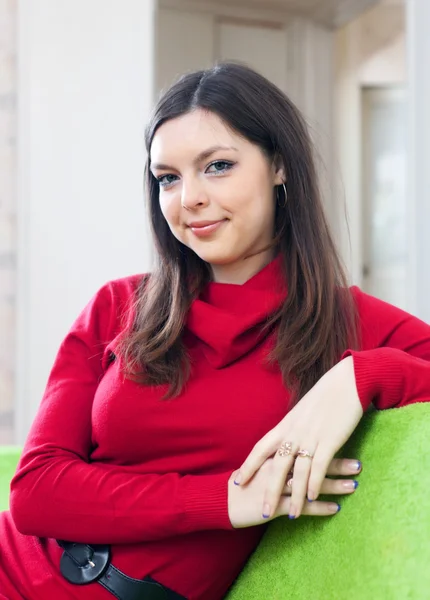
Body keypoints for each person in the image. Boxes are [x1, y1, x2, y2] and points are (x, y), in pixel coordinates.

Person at [0, 62, 429, 600]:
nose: (189, 199)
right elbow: (37, 492)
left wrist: (362, 373)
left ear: (279, 166)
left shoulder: (348, 322)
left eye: (218, 166)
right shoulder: (116, 306)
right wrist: (223, 500)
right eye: (168, 178)